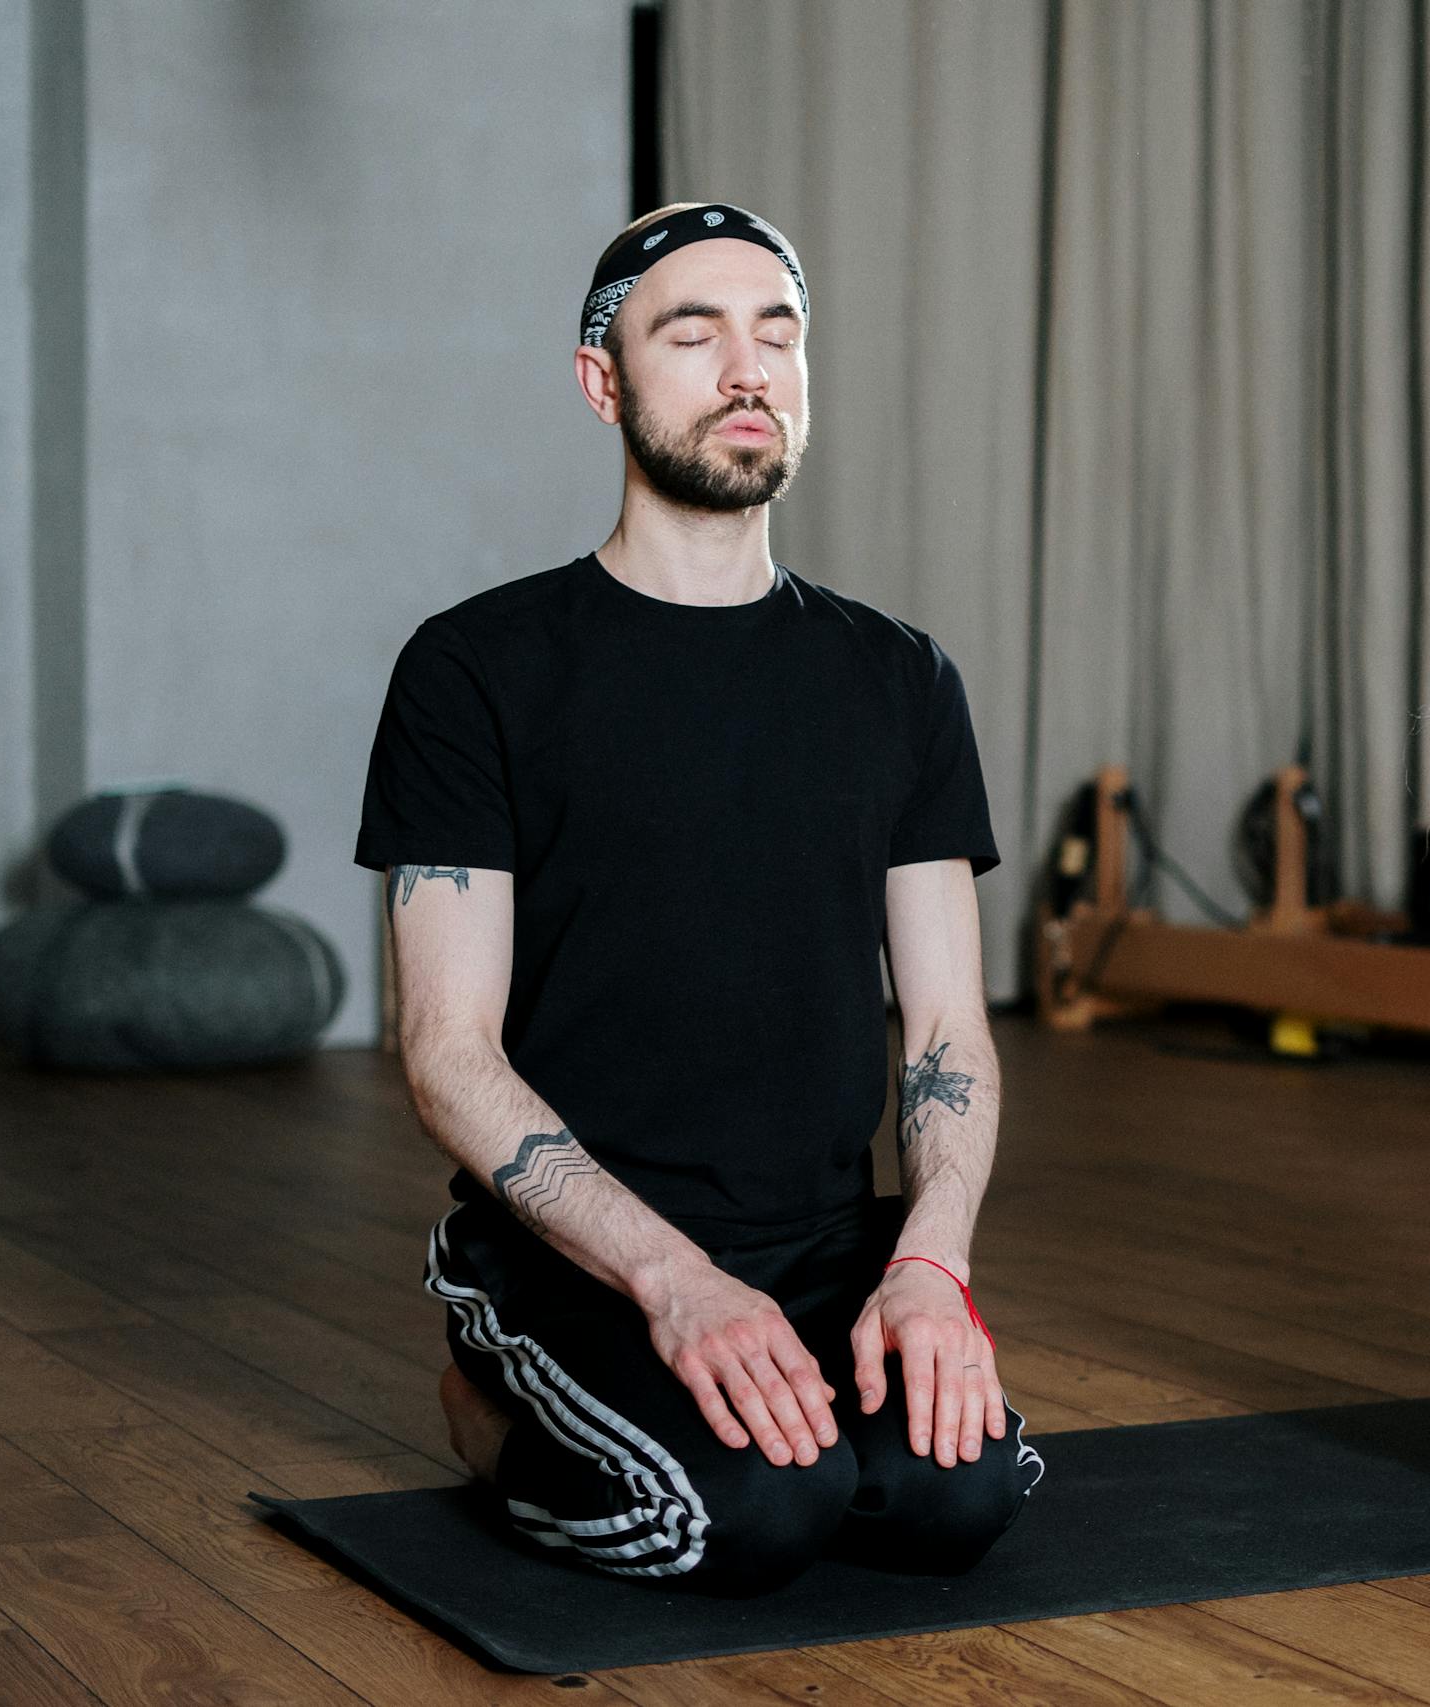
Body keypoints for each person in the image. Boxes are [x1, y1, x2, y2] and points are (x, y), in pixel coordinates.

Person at [356, 202, 1041, 1593]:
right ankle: (485, 1417)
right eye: (695, 332)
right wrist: (670, 1280)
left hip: (825, 1236)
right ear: (601, 379)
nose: (750, 369)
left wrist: (932, 1263)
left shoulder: (900, 677)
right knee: (750, 1518)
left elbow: (951, 1035)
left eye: (778, 335)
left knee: (954, 1506)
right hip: (582, 1248)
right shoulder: (473, 668)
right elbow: (447, 1057)